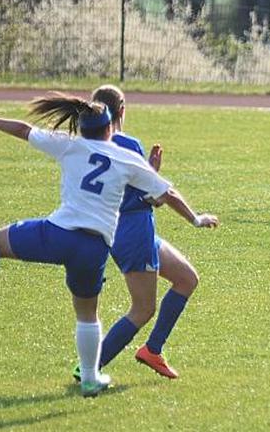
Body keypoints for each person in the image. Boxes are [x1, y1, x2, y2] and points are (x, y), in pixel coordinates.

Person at [0, 93, 218, 398]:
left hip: (58, 233)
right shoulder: (126, 155)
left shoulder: (70, 144)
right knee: (88, 315)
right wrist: (195, 219)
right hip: (94, 248)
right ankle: (91, 378)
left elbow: (23, 129)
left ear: (81, 128)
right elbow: (166, 193)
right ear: (110, 128)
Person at [71, 84, 199, 380]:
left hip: (120, 228)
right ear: (123, 110)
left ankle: (152, 350)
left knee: (186, 278)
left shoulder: (87, 147)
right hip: (135, 230)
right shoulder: (128, 144)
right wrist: (193, 216)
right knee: (142, 309)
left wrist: (149, 174)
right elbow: (156, 196)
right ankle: (89, 366)